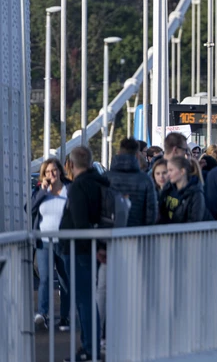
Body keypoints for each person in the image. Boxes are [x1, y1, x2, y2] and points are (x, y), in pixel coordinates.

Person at [58, 146, 105, 361]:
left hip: (78, 250)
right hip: (93, 248)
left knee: (84, 301)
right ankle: (90, 347)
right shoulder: (101, 182)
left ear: (70, 164)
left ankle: (89, 349)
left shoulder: (78, 187)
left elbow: (79, 222)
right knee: (88, 299)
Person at [31, 158, 71, 332]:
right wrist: (42, 190)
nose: (51, 174)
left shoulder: (69, 190)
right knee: (45, 279)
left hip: (64, 242)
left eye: (54, 170)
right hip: (44, 242)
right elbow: (29, 208)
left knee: (65, 281)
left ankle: (64, 317)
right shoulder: (41, 191)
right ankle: (43, 314)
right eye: (47, 172)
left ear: (60, 171)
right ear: (43, 175)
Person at [106, 138, 158, 227]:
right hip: (137, 234)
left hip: (111, 235)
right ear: (137, 155)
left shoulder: (105, 177)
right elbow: (151, 213)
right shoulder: (145, 179)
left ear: (119, 153)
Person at [159, 156, 212, 223]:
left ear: (182, 171)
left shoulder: (196, 193)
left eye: (171, 170)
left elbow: (195, 221)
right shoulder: (168, 189)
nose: (168, 174)